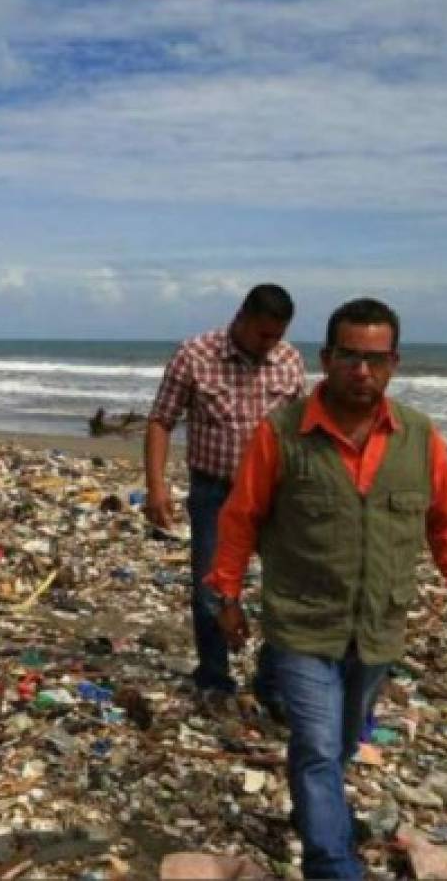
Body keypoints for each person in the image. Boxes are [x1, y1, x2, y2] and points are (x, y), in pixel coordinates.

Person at [207, 298, 447, 879]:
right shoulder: (283, 434)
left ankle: (314, 811)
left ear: (394, 363)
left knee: (344, 740)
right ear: (326, 357)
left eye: (376, 359)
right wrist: (225, 594)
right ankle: (332, 862)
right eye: (349, 356)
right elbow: (241, 517)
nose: (362, 371)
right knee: (320, 745)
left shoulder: (419, 438)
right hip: (302, 623)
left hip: (379, 627)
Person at [144, 284, 304, 711]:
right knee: (211, 588)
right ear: (241, 318)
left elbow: (301, 431)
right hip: (214, 490)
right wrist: (157, 487)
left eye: (277, 335)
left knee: (286, 589)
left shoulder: (289, 360)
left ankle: (271, 679)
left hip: (275, 494)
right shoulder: (195, 354)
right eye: (262, 335)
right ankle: (214, 677)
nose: (269, 344)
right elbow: (161, 420)